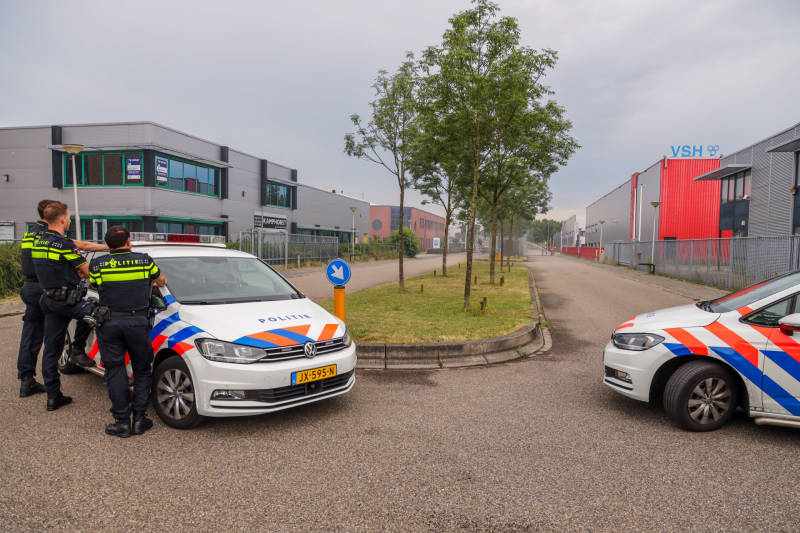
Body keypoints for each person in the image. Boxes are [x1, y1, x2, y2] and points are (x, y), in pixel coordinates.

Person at [17, 200, 108, 398]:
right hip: (49, 288)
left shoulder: (29, 234)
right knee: (93, 313)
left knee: (34, 336)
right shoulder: (51, 237)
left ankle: (28, 381)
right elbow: (82, 246)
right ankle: (78, 350)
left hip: (32, 288)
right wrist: (114, 246)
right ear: (59, 217)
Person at [89, 226, 166, 437]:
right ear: (128, 241)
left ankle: (122, 423)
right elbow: (161, 281)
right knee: (142, 370)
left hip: (110, 322)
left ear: (108, 244)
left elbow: (95, 285)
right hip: (137, 322)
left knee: (115, 371)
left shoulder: (97, 265)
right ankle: (140, 420)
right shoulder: (145, 260)